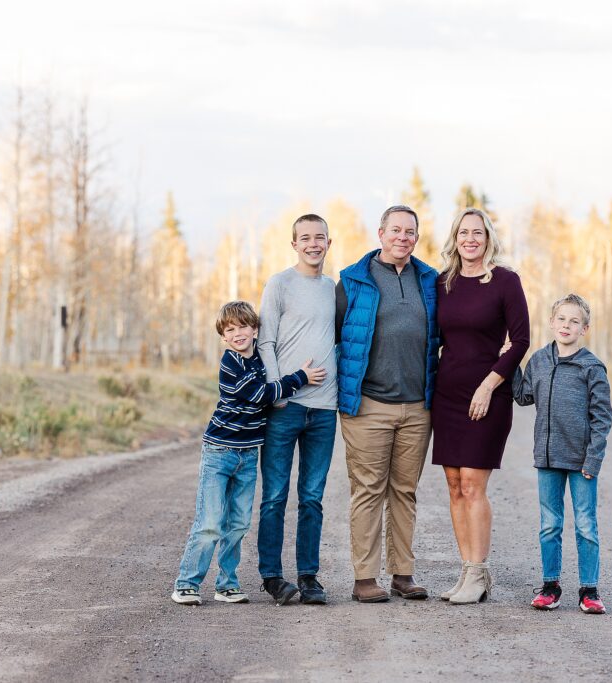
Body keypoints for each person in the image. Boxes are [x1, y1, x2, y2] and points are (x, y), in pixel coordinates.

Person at [171, 301, 325, 606]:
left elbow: (271, 390)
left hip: (248, 455)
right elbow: (260, 395)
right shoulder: (231, 362)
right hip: (220, 452)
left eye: (243, 326)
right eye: (230, 330)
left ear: (255, 329)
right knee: (211, 521)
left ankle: (227, 584)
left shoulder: (262, 361)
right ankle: (186, 583)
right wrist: (299, 378)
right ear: (224, 338)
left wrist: (284, 384)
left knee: (239, 523)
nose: (238, 333)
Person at [335, 205, 440, 603]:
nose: (402, 237)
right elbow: (334, 337)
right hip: (368, 405)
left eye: (410, 231)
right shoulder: (352, 281)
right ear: (380, 233)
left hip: (417, 407)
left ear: (417, 237)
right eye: (395, 230)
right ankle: (365, 578)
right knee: (367, 490)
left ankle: (403, 574)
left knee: (405, 491)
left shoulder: (429, 281)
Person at [431, 208, 530, 604]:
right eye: (463, 232)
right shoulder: (443, 283)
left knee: (473, 484)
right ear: (455, 238)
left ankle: (480, 571)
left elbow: (520, 341)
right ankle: (467, 572)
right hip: (448, 394)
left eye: (478, 233)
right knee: (454, 486)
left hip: (487, 395)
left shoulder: (505, 281)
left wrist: (489, 385)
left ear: (488, 238)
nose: (470, 239)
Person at [512, 293, 612, 613]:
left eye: (574, 321)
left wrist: (593, 459)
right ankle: (550, 585)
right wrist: (511, 362)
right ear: (551, 323)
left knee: (585, 524)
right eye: (561, 319)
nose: (566, 325)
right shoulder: (539, 360)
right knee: (549, 524)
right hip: (547, 459)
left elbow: (602, 418)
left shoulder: (592, 367)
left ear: (585, 328)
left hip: (581, 461)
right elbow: (523, 396)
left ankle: (589, 590)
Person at [256, 214, 338, 606]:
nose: (312, 244)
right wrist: (278, 394)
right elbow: (265, 342)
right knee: (274, 495)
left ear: (328, 242)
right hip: (285, 407)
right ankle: (272, 576)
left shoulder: (332, 288)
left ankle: (309, 577)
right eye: (304, 238)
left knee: (312, 496)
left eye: (319, 237)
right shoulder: (280, 284)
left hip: (323, 411)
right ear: (293, 244)